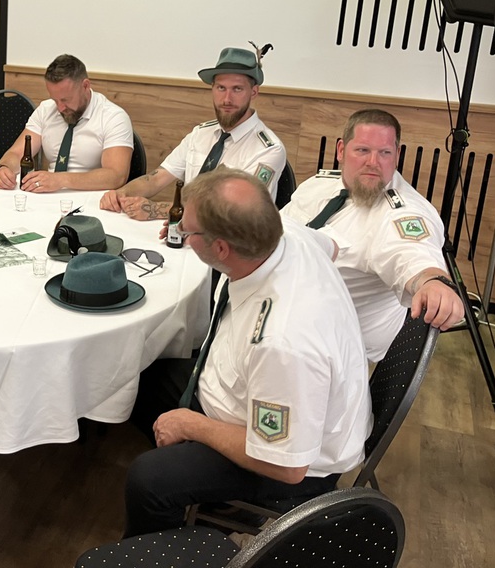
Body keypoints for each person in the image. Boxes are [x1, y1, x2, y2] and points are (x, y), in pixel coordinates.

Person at [124, 168, 371, 537]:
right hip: (250, 394)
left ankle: (180, 545)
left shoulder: (283, 343)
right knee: (143, 376)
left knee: (148, 480)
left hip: (291, 463)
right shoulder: (287, 234)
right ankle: (211, 498)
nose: (181, 233)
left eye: (187, 231)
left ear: (221, 248)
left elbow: (287, 466)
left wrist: (191, 425)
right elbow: (331, 247)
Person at [281, 108, 465, 362]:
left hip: (330, 347)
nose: (373, 162)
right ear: (341, 151)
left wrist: (434, 283)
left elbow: (414, 256)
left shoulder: (402, 214)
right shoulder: (318, 184)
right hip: (283, 309)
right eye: (363, 150)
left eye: (385, 153)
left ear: (397, 155)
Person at [100, 45, 285, 219]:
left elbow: (237, 210)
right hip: (186, 232)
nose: (227, 99)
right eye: (221, 88)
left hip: (231, 236)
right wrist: (120, 194)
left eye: (237, 89)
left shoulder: (269, 149)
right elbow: (156, 179)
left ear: (253, 92)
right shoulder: (200, 134)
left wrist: (156, 210)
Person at [0, 54, 133, 193]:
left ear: (85, 86)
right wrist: (4, 168)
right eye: (55, 100)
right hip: (48, 196)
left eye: (66, 100)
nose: (60, 108)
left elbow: (116, 176)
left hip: (91, 198)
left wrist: (61, 180)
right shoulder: (46, 110)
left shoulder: (113, 117)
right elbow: (16, 153)